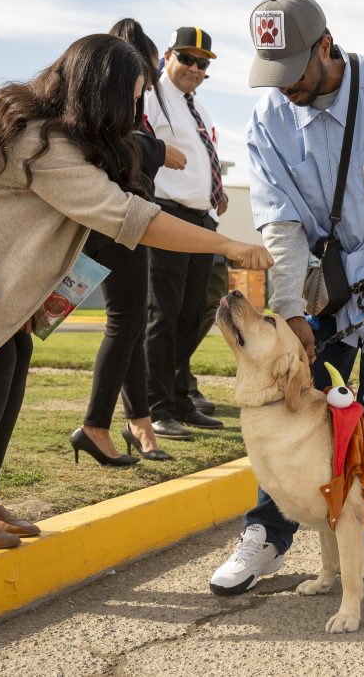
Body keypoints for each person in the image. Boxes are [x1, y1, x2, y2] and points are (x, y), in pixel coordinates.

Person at [0, 34, 272, 551]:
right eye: (130, 99)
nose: (134, 111)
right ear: (102, 96)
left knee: (11, 347)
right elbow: (132, 218)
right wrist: (229, 245)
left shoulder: (49, 134)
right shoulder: (42, 145)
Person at [210, 0, 364, 594]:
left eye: (293, 69)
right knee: (287, 413)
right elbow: (282, 226)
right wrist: (291, 310)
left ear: (325, 46)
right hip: (321, 295)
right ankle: (267, 535)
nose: (284, 86)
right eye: (273, 72)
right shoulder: (269, 118)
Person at [70, 18, 185, 468]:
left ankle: (138, 422)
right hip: (121, 223)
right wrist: (158, 151)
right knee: (125, 323)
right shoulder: (116, 103)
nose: (146, 90)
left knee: (129, 323)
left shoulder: (103, 88)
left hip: (118, 222)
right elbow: (116, 141)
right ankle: (97, 424)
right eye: (146, 77)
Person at [142, 26, 230, 442]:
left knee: (193, 313)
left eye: (202, 63)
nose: (194, 68)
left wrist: (216, 191)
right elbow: (139, 144)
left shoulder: (197, 106)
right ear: (167, 56)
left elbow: (202, 157)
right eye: (187, 58)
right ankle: (155, 406)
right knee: (164, 314)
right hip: (167, 216)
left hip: (201, 218)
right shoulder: (153, 96)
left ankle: (179, 398)